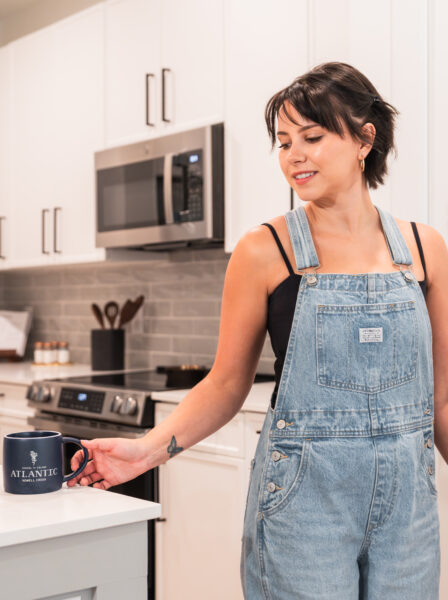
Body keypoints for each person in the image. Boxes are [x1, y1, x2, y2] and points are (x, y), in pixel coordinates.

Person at [67, 61, 448, 599]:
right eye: (283, 141)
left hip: (409, 511)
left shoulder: (425, 249)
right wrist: (147, 451)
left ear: (366, 139)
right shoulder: (264, 251)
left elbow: (442, 400)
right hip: (303, 506)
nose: (294, 155)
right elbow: (225, 384)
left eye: (312, 137)